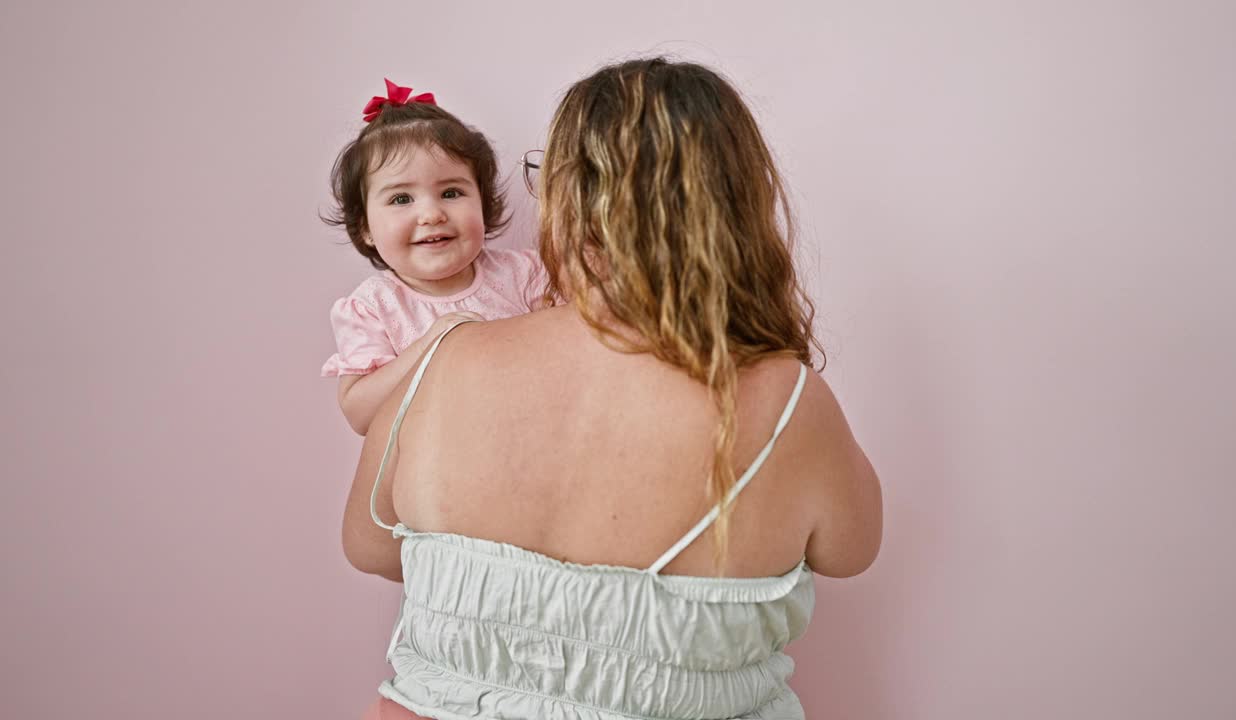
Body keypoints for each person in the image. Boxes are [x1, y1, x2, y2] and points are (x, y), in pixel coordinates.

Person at [343, 57, 883, 720]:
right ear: (738, 208)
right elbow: (852, 551)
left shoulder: (444, 362)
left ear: (571, 199)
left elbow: (370, 547)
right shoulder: (786, 403)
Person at [321, 79, 546, 435]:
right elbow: (361, 416)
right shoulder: (374, 306)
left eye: (452, 192)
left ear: (483, 206)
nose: (431, 214)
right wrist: (434, 343)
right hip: (432, 473)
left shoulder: (526, 275)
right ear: (365, 227)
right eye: (401, 199)